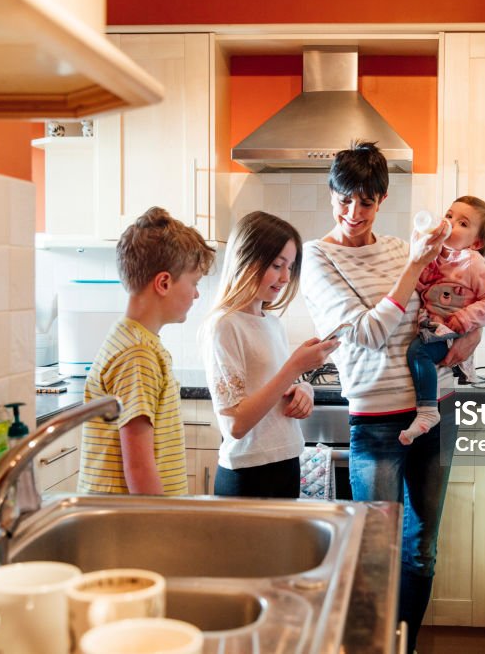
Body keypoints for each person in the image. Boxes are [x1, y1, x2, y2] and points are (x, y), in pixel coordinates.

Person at [300, 141, 482, 652]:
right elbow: (370, 331)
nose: (352, 213)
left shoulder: (402, 249)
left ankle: (404, 643)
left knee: (421, 549)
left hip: (432, 415)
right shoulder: (317, 258)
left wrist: (469, 334)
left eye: (365, 202)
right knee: (375, 552)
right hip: (376, 422)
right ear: (331, 194)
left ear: (381, 200)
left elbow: (442, 307)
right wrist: (413, 268)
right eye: (343, 199)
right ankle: (375, 644)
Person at [201, 211, 340, 498]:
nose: (286, 277)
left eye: (289, 267)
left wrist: (303, 389)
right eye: (277, 265)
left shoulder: (271, 322)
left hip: (285, 463)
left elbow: (269, 387)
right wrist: (293, 368)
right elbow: (235, 424)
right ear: (247, 260)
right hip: (248, 475)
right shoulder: (224, 325)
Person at [78, 207, 215, 496]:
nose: (196, 294)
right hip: (130, 527)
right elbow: (139, 468)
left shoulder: (136, 342)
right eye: (194, 283)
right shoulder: (137, 354)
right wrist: (160, 529)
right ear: (164, 283)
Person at [400, 196, 485, 445]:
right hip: (435, 327)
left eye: (463, 223)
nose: (450, 223)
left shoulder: (476, 265)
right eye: (448, 216)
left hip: (452, 333)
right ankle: (427, 409)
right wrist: (419, 255)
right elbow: (419, 285)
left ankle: (427, 411)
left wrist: (464, 320)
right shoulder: (436, 257)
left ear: (476, 242)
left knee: (418, 352)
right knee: (418, 350)